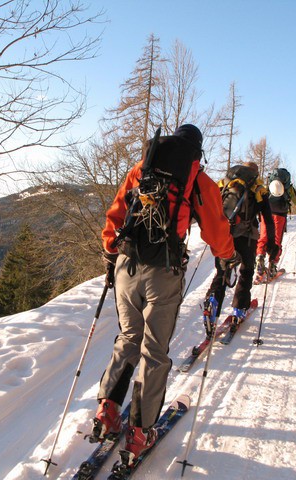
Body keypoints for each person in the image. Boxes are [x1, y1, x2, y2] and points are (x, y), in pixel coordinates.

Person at [94, 124, 239, 464]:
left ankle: (107, 410)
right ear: (197, 152)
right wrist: (228, 257)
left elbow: (116, 214)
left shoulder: (142, 168)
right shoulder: (197, 179)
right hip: (163, 271)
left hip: (126, 264)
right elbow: (217, 230)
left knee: (128, 336)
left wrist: (110, 253)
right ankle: (140, 433)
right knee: (154, 351)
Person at [205, 162, 277, 322]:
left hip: (225, 235)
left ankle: (213, 301)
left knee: (222, 271)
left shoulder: (225, 183)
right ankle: (239, 309)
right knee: (246, 271)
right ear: (255, 174)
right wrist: (271, 244)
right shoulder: (258, 189)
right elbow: (268, 220)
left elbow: (210, 206)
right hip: (247, 237)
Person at [255, 167, 296, 279]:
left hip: (266, 213)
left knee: (263, 237)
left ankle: (260, 257)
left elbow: (262, 196)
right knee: (276, 240)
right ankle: (272, 265)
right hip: (280, 215)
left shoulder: (269, 184)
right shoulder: (288, 187)